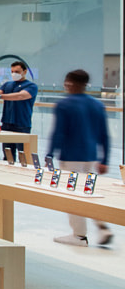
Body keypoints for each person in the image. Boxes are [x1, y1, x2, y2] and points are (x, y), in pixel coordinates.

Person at [49, 69, 112, 247]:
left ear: (69, 83)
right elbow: (104, 135)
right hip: (91, 158)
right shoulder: (97, 105)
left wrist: (49, 155)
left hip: (71, 158)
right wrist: (105, 160)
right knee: (88, 192)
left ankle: (79, 236)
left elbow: (58, 133)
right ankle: (102, 226)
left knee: (72, 195)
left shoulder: (64, 105)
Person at [0, 61, 36, 164]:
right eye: (12, 71)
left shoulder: (31, 86)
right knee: (8, 154)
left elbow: (20, 96)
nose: (14, 74)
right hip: (7, 123)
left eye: (17, 72)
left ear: (25, 72)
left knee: (24, 155)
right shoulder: (8, 84)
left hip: (22, 124)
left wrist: (0, 96)